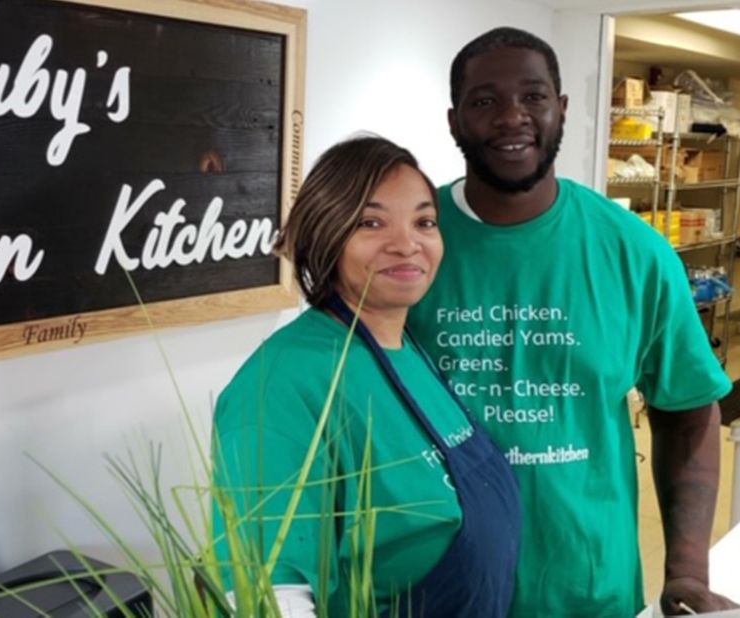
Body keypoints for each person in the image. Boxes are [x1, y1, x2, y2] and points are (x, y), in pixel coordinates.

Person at [406, 27, 740, 617]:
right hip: (431, 588)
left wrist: (687, 571)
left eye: (534, 97)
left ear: (561, 110)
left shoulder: (633, 252)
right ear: (455, 120)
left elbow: (688, 412)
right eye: (485, 101)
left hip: (586, 591)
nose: (513, 117)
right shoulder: (407, 248)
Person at [211, 135, 520, 617]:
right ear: (326, 233)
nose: (406, 244)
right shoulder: (283, 382)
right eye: (371, 222)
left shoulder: (407, 347)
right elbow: (266, 596)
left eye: (425, 222)